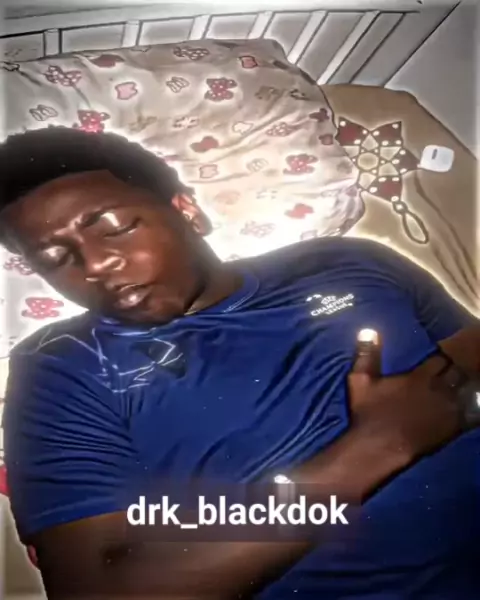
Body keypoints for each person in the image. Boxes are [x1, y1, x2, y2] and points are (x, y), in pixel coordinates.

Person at [0, 127, 479, 600]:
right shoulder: (60, 369)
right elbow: (95, 589)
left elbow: (469, 363)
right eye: (55, 258)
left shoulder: (350, 262)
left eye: (115, 228)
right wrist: (371, 450)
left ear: (187, 211)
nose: (94, 265)